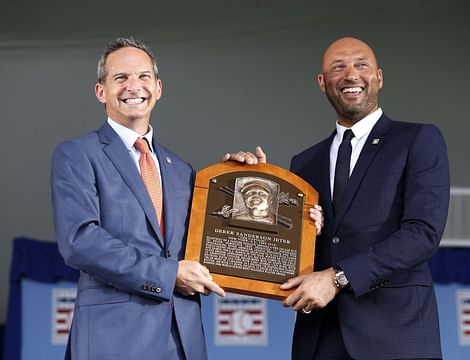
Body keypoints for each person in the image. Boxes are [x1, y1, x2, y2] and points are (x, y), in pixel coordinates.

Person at [224, 36, 450, 359]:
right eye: (337, 67)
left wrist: (337, 278)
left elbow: (422, 234)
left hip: (396, 338)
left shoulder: (418, 140)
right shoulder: (303, 164)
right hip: (318, 341)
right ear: (322, 82)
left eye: (361, 65)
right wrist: (256, 183)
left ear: (379, 77)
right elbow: (292, 251)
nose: (351, 75)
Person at [51, 37, 225, 360]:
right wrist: (168, 275)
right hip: (113, 339)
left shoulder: (183, 171)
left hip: (183, 341)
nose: (134, 86)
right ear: (101, 91)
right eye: (121, 78)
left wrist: (241, 179)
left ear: (158, 88)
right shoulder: (77, 155)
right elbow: (80, 240)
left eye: (144, 77)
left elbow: (206, 245)